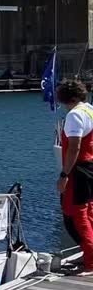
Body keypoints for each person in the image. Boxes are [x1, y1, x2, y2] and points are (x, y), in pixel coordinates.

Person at [56, 79, 93, 276]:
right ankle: (90, 254)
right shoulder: (89, 109)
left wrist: (64, 174)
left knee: (75, 215)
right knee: (88, 213)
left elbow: (74, 146)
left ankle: (91, 262)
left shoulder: (74, 115)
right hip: (90, 167)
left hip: (78, 170)